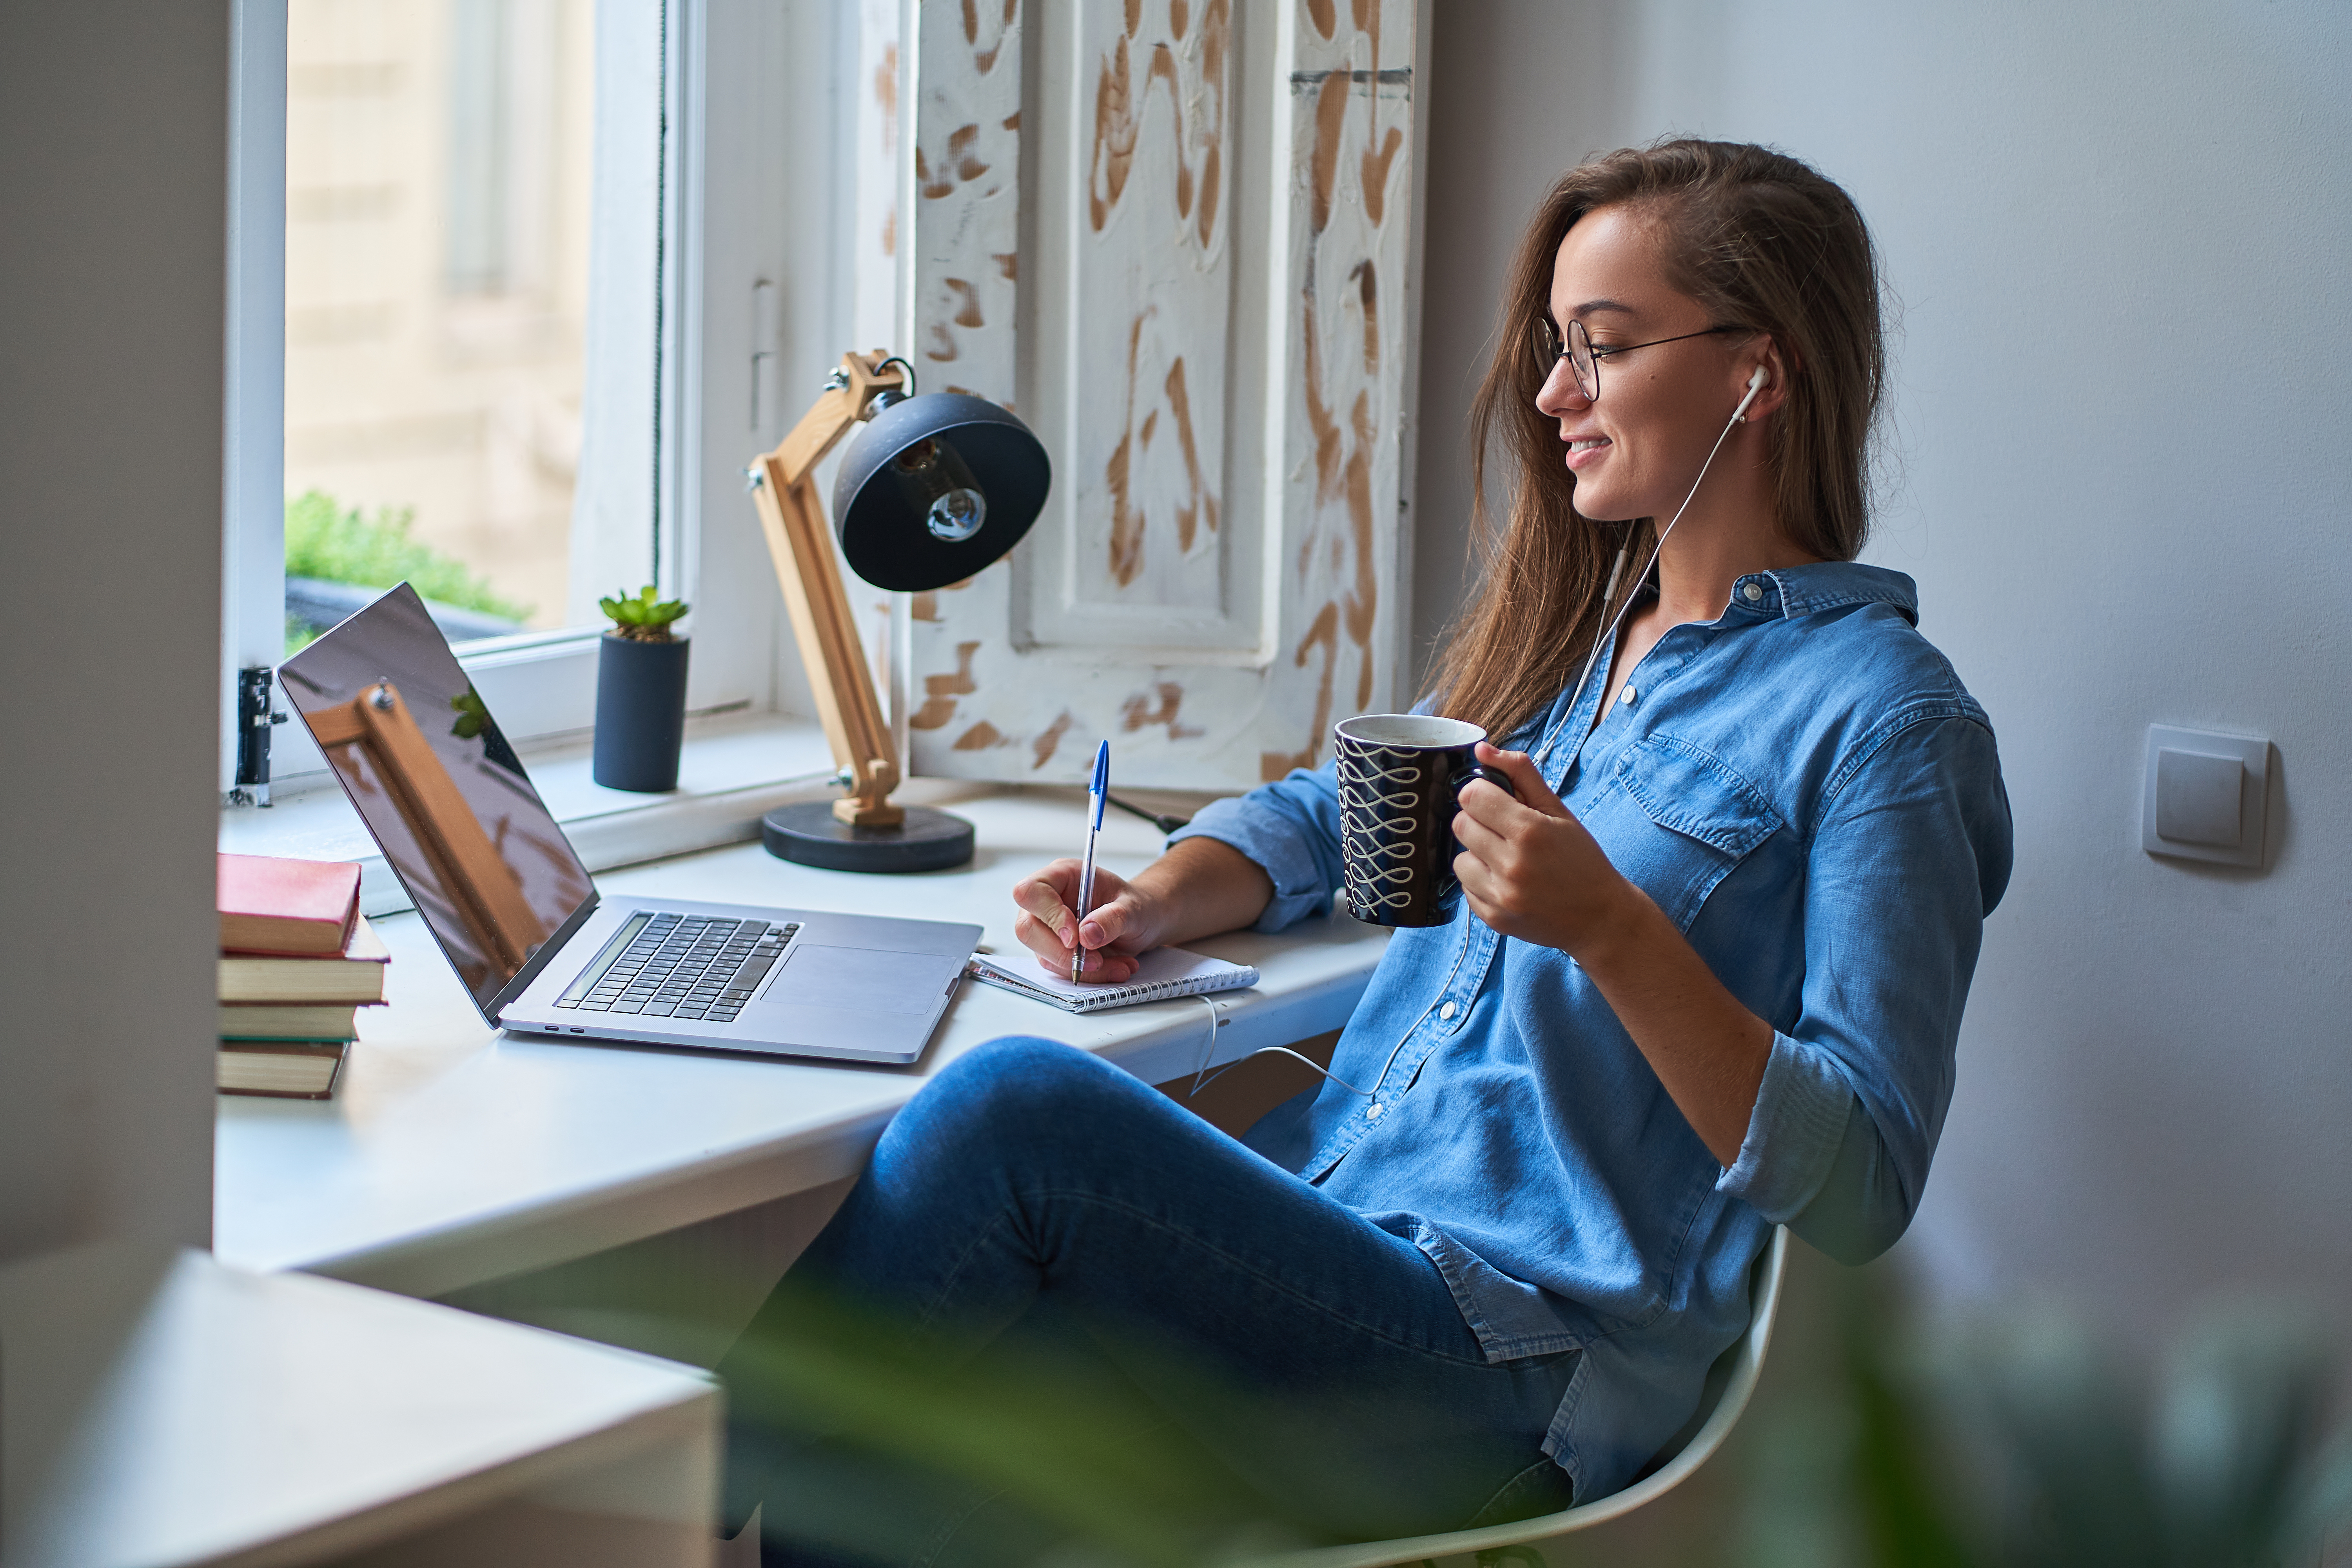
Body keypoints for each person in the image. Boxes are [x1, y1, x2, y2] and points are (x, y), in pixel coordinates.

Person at [718, 138, 2013, 1565]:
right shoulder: (1582, 644)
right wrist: (1157, 893)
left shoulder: (1889, 723)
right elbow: (1331, 813)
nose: (1553, 394)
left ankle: (642, 1492)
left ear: (1757, 373)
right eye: (1553, 350)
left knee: (1013, 1113)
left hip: (1510, 1372)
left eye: (1604, 349)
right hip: (1340, 1238)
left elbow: (1864, 1187)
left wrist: (1610, 931)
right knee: (902, 1478)